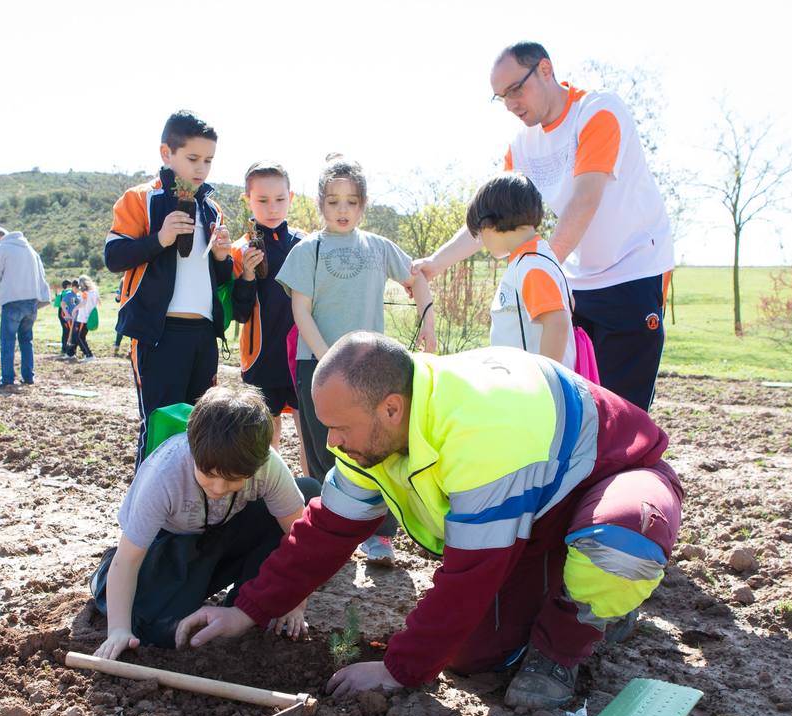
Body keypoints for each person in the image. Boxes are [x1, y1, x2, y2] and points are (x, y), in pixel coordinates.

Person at [175, 332, 683, 710]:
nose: (330, 444)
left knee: (617, 545)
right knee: (469, 657)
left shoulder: (484, 433)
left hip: (611, 484)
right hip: (532, 526)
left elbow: (472, 573)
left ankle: (573, 638)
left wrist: (399, 669)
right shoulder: (369, 435)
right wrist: (247, 609)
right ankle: (567, 598)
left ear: (391, 409)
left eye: (339, 428)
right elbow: (326, 531)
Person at [414, 41, 673, 412]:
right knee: (581, 406)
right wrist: (435, 263)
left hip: (632, 272)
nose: (511, 104)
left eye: (516, 89)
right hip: (574, 283)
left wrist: (542, 267)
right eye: (501, 97)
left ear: (546, 70)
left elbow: (585, 200)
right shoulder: (521, 146)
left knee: (623, 409)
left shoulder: (597, 111)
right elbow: (493, 217)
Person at [275, 155, 435, 565]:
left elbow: (416, 277)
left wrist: (428, 321)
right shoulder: (306, 250)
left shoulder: (379, 248)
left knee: (378, 448)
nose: (342, 210)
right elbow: (301, 311)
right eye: (333, 202)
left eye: (351, 202)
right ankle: (333, 534)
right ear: (320, 205)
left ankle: (380, 536)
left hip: (372, 370)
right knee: (327, 450)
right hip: (317, 364)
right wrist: (331, 360)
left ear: (363, 205)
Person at [90, 386, 320, 660]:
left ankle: (246, 606)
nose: (219, 487)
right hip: (176, 543)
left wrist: (293, 602)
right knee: (158, 627)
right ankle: (103, 576)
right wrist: (118, 630)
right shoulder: (164, 474)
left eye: (234, 479)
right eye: (209, 474)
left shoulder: (267, 466)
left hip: (228, 532)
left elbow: (299, 541)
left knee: (307, 491)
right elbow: (128, 560)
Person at [104, 110, 233, 466]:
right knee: (160, 422)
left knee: (200, 425)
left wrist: (223, 258)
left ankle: (188, 508)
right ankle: (149, 513)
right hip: (159, 334)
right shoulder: (140, 198)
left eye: (208, 160)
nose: (201, 168)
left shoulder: (212, 209)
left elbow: (217, 278)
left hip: (203, 335)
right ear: (166, 153)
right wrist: (160, 238)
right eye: (193, 158)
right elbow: (114, 255)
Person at [466, 172, 577, 369]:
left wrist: (547, 382)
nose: (482, 242)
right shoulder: (539, 257)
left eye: (479, 235)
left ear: (489, 224)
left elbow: (557, 324)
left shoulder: (531, 265)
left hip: (535, 390)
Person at [231, 161, 305, 454]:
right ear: (248, 199)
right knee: (264, 442)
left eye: (280, 199)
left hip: (302, 356)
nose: (272, 208)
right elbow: (238, 313)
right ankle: (267, 498)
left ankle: (312, 497)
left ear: (292, 198)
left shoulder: (306, 245)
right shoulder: (241, 249)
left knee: (309, 436)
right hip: (260, 359)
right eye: (262, 200)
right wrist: (247, 276)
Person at [0, 225, 50, 388]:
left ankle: (7, 378)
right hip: (31, 301)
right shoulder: (30, 249)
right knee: (26, 340)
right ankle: (28, 376)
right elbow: (42, 275)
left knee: (7, 341)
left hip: (12, 300)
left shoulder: (2, 248)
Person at [72, 275, 96, 359]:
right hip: (88, 317)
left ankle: (89, 355)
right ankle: (72, 352)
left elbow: (84, 303)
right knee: (80, 336)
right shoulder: (94, 292)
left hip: (83, 318)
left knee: (79, 337)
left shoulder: (85, 293)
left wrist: (75, 308)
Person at [56, 279, 78, 357]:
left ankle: (65, 348)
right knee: (68, 331)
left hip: (61, 312)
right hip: (64, 312)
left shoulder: (61, 293)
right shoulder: (68, 292)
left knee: (66, 331)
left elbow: (56, 304)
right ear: (68, 286)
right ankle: (66, 349)